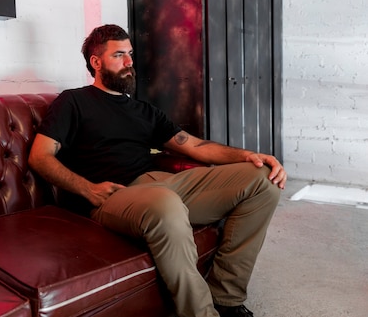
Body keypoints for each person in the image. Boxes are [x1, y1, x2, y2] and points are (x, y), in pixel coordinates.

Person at [28, 24, 286, 317]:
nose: (129, 63)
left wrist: (252, 156)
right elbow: (40, 156)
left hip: (159, 185)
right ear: (96, 63)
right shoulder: (73, 101)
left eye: (130, 55)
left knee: (263, 179)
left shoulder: (143, 111)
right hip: (112, 194)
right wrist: (88, 188)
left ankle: (226, 297)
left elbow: (195, 146)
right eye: (119, 55)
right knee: (165, 203)